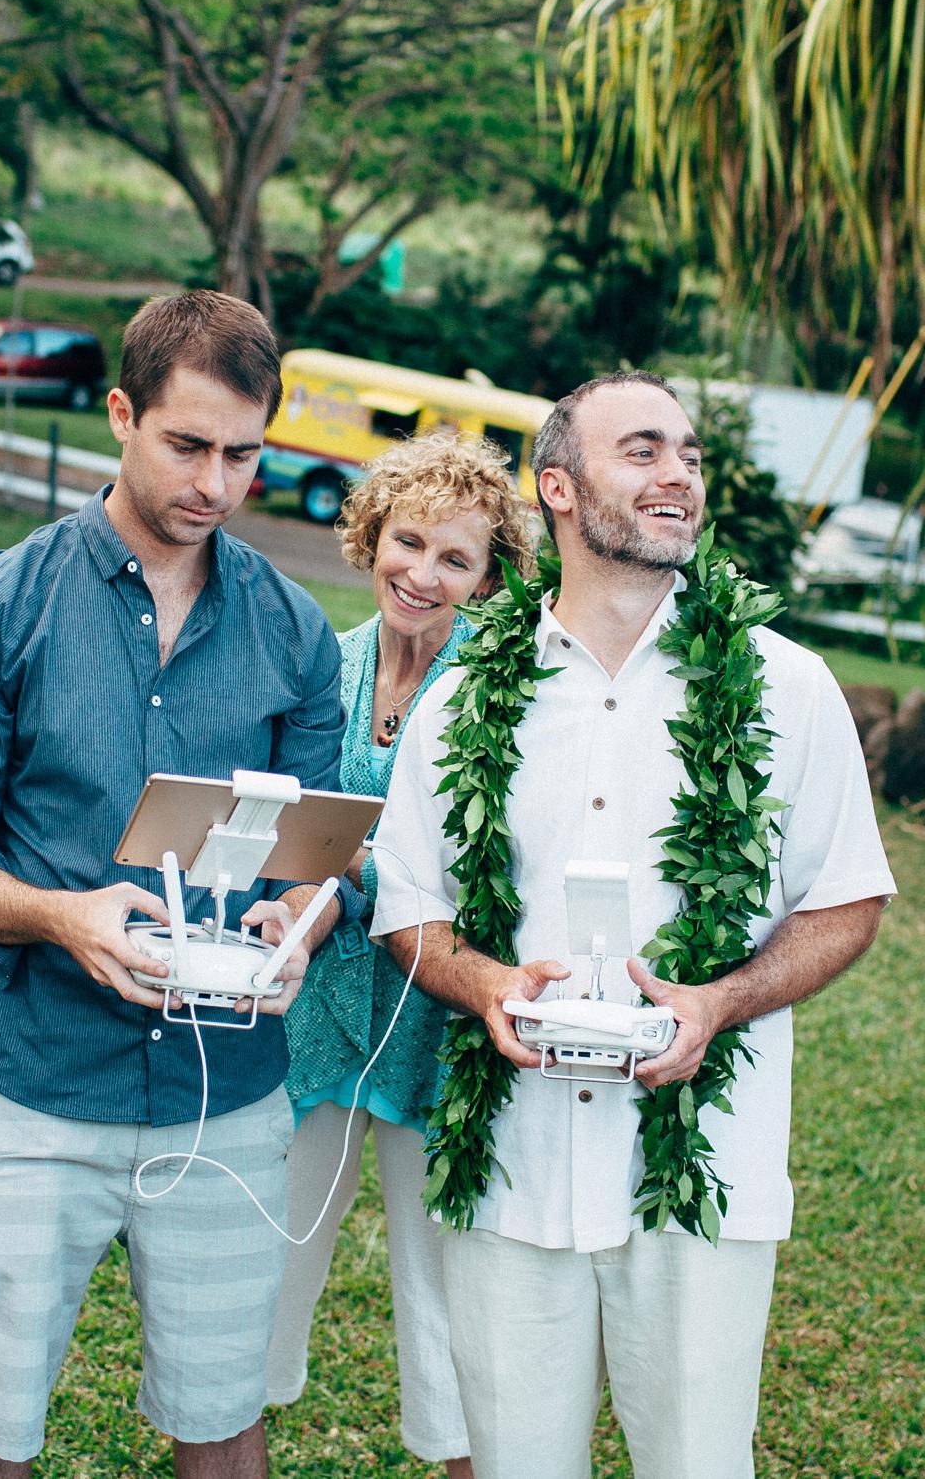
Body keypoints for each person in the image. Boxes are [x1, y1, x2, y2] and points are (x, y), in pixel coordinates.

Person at [369, 371, 894, 1479]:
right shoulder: (465, 697)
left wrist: (722, 999)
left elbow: (848, 899)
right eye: (643, 450)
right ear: (556, 486)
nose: (678, 475)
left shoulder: (783, 686)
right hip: (509, 1159)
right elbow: (407, 909)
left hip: (706, 1170)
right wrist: (485, 986)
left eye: (691, 456)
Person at [0, 289, 352, 1479]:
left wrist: (300, 922)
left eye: (244, 453)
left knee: (222, 1416)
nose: (215, 481)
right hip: (42, 1085)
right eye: (187, 444)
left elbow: (317, 854)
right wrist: (60, 915)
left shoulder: (296, 632)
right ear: (120, 414)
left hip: (230, 1099)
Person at [265, 431, 535, 1478]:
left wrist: (350, 866)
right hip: (316, 1014)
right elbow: (291, 826)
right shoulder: (321, 663)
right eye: (406, 540)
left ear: (488, 575)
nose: (422, 573)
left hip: (437, 1021)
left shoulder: (498, 695)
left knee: (445, 1300)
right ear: (369, 534)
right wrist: (293, 892)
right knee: (263, 1262)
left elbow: (492, 857)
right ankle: (230, 1429)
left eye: (455, 558)